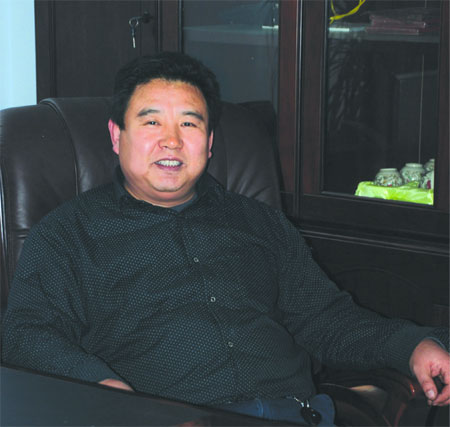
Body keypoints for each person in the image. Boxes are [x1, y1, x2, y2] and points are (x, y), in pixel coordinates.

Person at [2, 52, 449, 426]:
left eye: (189, 125)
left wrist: (412, 345)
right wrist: (103, 390)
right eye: (152, 122)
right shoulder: (67, 235)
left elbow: (326, 318)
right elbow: (27, 333)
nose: (171, 141)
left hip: (295, 415)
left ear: (210, 142)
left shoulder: (259, 223)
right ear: (117, 136)